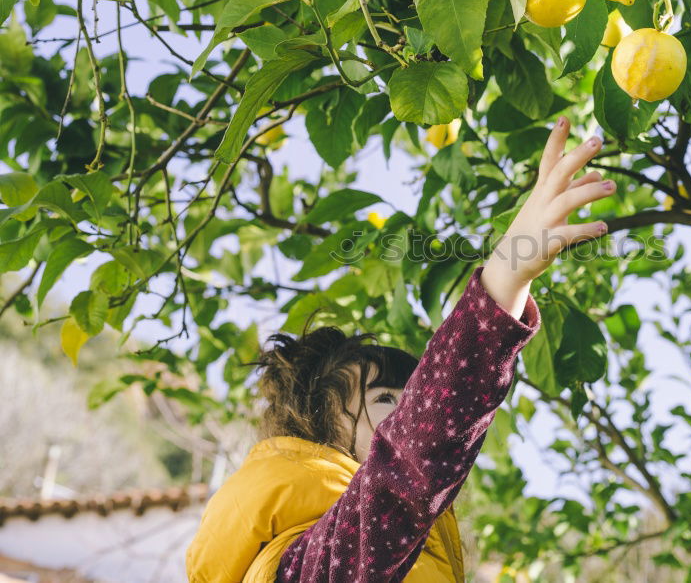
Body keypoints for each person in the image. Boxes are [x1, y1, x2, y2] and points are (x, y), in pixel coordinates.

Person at [186, 117, 615, 582]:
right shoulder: (305, 566)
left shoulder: (392, 547)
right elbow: (401, 475)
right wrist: (505, 277)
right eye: (385, 399)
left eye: (406, 398)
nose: (409, 412)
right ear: (318, 423)